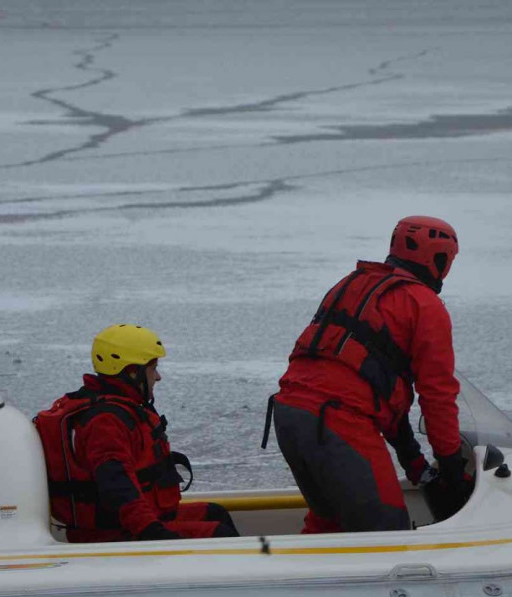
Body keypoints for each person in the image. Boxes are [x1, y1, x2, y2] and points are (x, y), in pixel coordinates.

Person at [267, 215, 472, 534]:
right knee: (386, 529)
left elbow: (365, 382)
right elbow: (438, 397)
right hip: (336, 424)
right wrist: (453, 471)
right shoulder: (425, 306)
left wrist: (415, 464)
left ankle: (296, 578)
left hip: (290, 416)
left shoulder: (351, 283)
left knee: (330, 522)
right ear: (440, 258)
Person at [35, 324, 238, 543]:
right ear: (132, 372)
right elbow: (117, 487)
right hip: (115, 533)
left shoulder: (120, 409)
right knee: (220, 535)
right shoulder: (105, 422)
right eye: (153, 368)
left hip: (139, 520)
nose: (158, 377)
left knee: (216, 513)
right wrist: (152, 532)